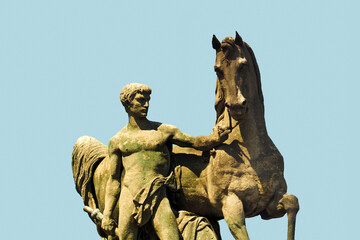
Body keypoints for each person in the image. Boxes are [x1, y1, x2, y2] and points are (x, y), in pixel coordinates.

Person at [101, 83, 229, 240]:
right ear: (127, 103)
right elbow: (113, 181)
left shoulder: (163, 131)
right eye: (141, 100)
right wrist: (107, 214)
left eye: (148, 100)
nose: (146, 105)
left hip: (157, 194)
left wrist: (214, 139)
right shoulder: (118, 140)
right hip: (129, 195)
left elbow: (194, 142)